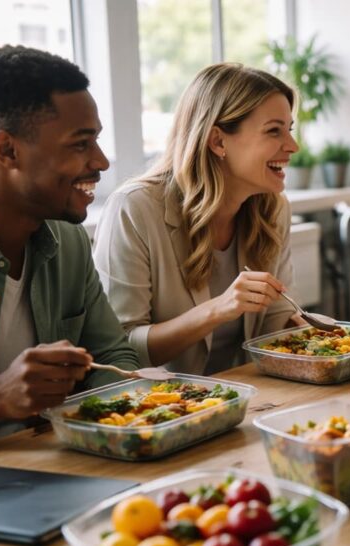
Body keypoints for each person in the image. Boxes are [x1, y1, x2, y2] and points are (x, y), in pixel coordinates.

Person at [0, 46, 139, 457]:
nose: (102, 161)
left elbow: (113, 355)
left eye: (97, 139)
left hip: (55, 467)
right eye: (81, 144)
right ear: (7, 150)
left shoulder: (67, 238)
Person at [93, 63, 300, 375]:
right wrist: (216, 310)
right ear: (218, 141)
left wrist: (308, 330)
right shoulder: (134, 209)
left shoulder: (273, 208)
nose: (293, 146)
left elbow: (275, 317)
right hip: (161, 407)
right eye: (274, 131)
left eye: (289, 129)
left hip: (248, 397)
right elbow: (118, 348)